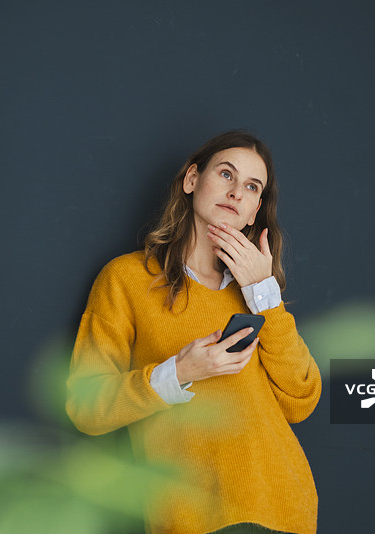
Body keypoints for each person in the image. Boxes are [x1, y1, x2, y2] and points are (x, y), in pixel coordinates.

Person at [66, 130, 321, 534]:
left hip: (282, 508)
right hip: (191, 517)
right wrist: (178, 373)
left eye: (252, 187)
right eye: (226, 174)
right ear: (191, 180)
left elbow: (302, 397)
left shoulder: (255, 293)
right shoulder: (127, 279)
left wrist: (264, 292)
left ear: (255, 211)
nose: (237, 192)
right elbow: (86, 407)